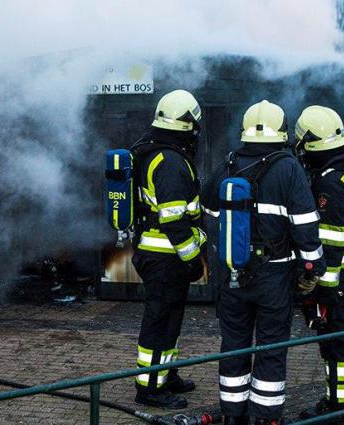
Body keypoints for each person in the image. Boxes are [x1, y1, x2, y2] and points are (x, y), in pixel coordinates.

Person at [203, 100, 325, 425]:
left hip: (232, 273)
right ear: (283, 131)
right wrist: (313, 270)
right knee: (270, 348)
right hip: (274, 277)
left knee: (234, 346)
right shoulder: (289, 168)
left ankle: (233, 416)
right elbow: (306, 227)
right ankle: (266, 419)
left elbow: (209, 214)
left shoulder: (228, 164)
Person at [131, 89, 206, 409]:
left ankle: (166, 373)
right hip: (165, 256)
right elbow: (174, 221)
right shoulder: (171, 162)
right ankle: (149, 388)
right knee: (159, 319)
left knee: (170, 316)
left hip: (159, 253)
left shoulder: (156, 153)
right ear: (187, 125)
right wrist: (192, 259)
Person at [293, 106, 344, 424]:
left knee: (337, 337)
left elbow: (332, 240)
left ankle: (341, 408)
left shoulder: (331, 182)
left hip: (339, 274)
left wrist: (326, 287)